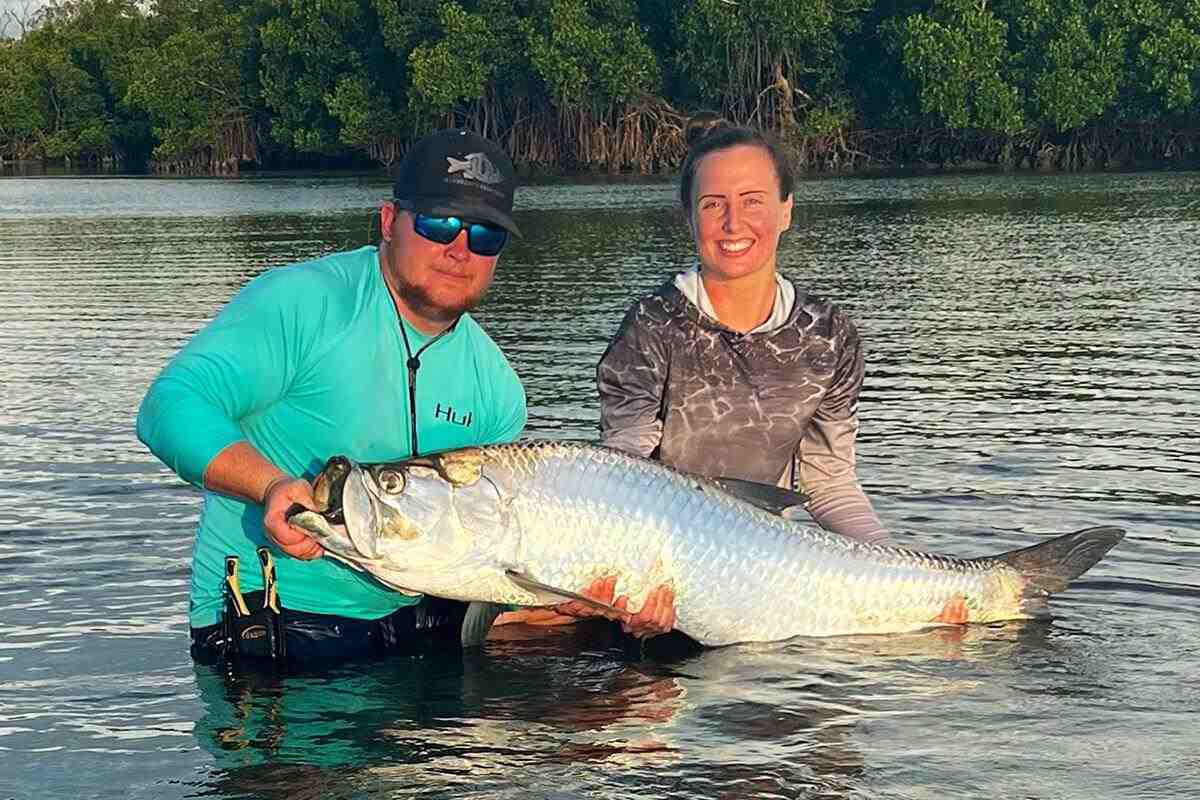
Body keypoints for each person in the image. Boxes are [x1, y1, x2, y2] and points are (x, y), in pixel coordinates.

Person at [533, 117, 967, 637]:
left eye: (753, 200)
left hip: (772, 565)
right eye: (713, 204)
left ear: (787, 209)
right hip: (665, 571)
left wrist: (902, 573)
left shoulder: (828, 334)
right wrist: (632, 580)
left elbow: (829, 483)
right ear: (689, 218)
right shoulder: (650, 326)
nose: (734, 223)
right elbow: (623, 472)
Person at [137, 129, 528, 670]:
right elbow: (169, 405)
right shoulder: (304, 303)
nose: (460, 249)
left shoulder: (499, 389)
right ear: (389, 221)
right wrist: (271, 486)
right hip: (277, 628)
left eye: (486, 235)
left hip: (422, 633)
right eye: (440, 223)